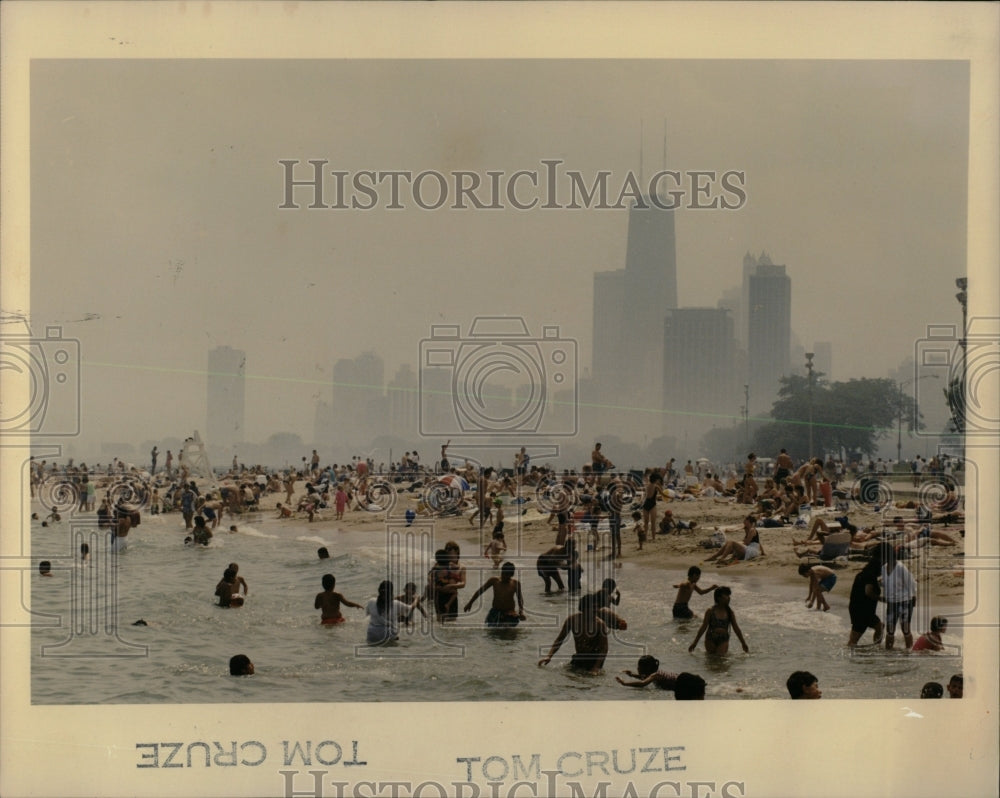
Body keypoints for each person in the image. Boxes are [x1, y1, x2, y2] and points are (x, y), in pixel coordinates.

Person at [537, 593, 624, 674]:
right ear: (583, 608)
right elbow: (560, 639)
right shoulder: (572, 620)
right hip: (579, 657)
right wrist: (549, 656)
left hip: (594, 660)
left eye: (597, 607)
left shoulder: (599, 624)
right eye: (592, 607)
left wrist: (596, 668)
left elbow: (604, 649)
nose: (596, 610)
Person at [688, 586, 749, 655]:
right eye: (726, 595)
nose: (729, 598)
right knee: (711, 660)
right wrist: (694, 643)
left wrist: (743, 643)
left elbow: (736, 629)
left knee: (721, 659)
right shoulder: (710, 611)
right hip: (710, 638)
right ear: (718, 598)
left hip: (723, 639)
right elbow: (703, 627)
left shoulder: (730, 613)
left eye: (729, 595)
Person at [463, 562, 525, 627]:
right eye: (503, 573)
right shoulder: (494, 580)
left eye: (507, 575)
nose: (504, 576)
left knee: (508, 632)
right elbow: (480, 591)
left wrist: (521, 611)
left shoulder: (515, 584)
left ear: (511, 575)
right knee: (490, 631)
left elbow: (520, 598)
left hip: (509, 612)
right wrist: (470, 603)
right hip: (495, 611)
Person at [880, 543, 917, 650]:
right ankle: (888, 652)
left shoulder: (901, 568)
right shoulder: (883, 568)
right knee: (890, 630)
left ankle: (909, 650)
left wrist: (914, 598)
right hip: (891, 602)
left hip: (904, 601)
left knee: (905, 629)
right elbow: (887, 583)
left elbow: (911, 583)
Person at [366, 580, 421, 645]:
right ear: (391, 592)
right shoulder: (395, 603)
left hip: (371, 636)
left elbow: (368, 614)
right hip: (388, 636)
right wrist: (416, 599)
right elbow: (411, 607)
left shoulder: (371, 601)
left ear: (379, 590)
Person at [847, 552, 884, 647]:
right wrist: (880, 598)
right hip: (863, 611)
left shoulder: (861, 575)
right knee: (854, 640)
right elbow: (868, 592)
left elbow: (863, 587)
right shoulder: (870, 576)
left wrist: (878, 584)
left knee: (879, 626)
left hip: (858, 608)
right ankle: (874, 649)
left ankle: (876, 647)